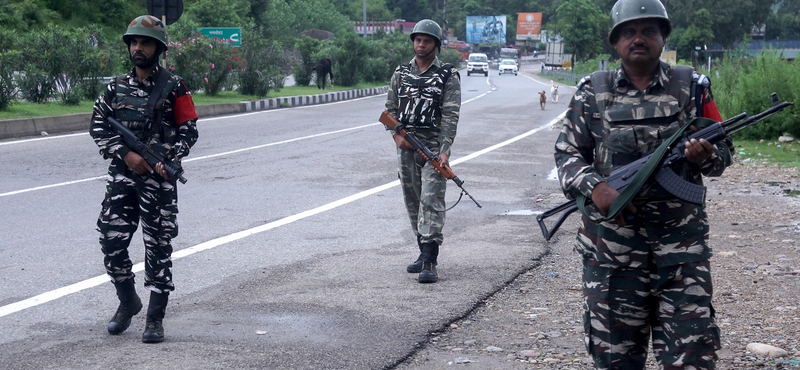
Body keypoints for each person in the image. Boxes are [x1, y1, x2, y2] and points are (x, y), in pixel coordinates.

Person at [553, 0, 734, 368]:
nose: (639, 39)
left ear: (663, 38)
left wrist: (706, 155)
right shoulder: (592, 91)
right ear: (616, 41)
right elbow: (567, 154)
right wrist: (595, 187)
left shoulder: (694, 87)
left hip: (681, 254)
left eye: (649, 31)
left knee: (694, 357)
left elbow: (725, 152)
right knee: (616, 360)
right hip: (613, 255)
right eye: (630, 32)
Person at [90, 15, 199, 343]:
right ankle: (128, 301)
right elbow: (98, 125)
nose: (139, 47)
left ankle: (155, 318)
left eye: (146, 42)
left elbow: (189, 129)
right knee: (110, 240)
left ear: (159, 48)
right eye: (134, 42)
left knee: (158, 247)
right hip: (123, 176)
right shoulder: (116, 87)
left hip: (159, 179)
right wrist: (127, 155)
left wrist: (173, 158)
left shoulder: (174, 86)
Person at [384, 19, 461, 284]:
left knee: (431, 199)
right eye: (417, 40)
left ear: (436, 45)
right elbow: (390, 108)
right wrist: (396, 135)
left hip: (432, 148)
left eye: (427, 41)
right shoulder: (401, 73)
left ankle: (430, 260)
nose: (421, 44)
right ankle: (421, 252)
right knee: (413, 200)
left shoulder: (448, 75)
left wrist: (444, 151)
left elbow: (450, 115)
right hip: (406, 146)